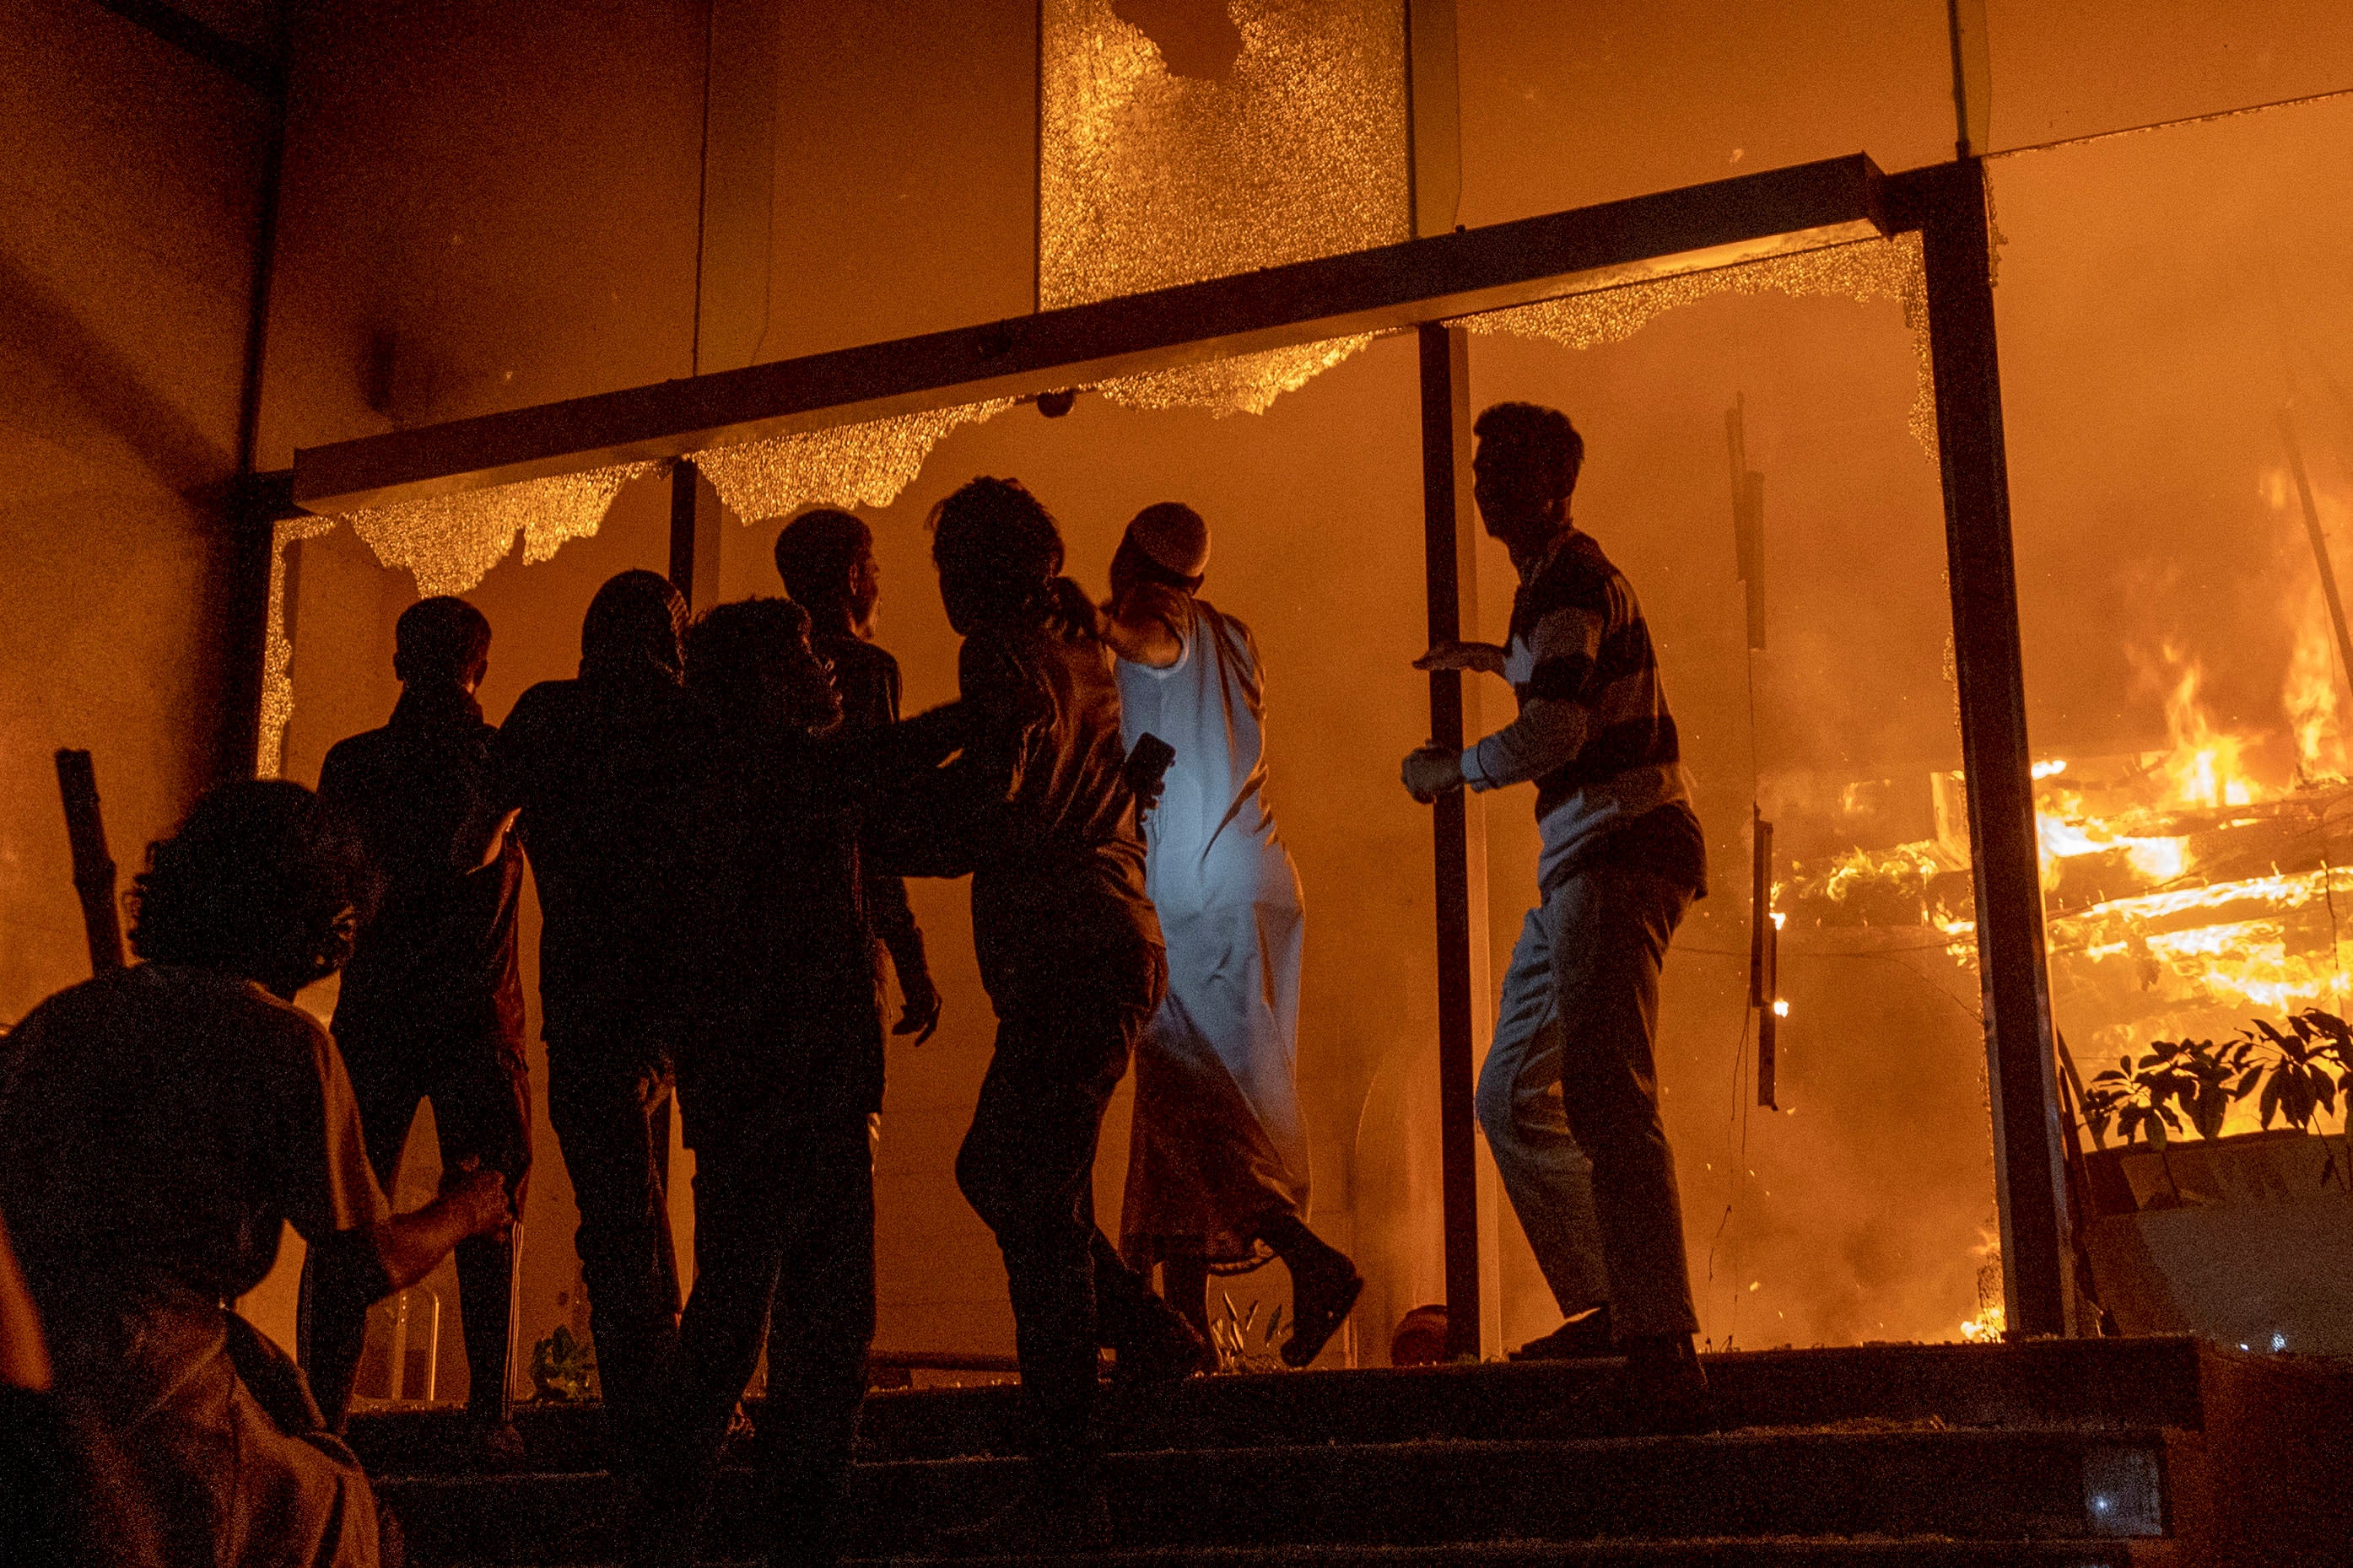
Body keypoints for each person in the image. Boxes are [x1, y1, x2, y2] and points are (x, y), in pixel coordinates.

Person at [0, 780, 514, 1567]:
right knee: (337, 1516)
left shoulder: (59, 1019)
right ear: (324, 928)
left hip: (27, 1368)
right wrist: (466, 1209)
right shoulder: (285, 1044)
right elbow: (365, 1261)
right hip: (152, 1390)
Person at [904, 477, 1209, 1550]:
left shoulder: (997, 651)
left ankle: (1068, 1485)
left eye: (946, 568)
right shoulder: (1073, 644)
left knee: (1024, 1194)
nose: (936, 588)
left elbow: (997, 795)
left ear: (976, 574)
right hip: (1106, 945)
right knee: (1011, 1174)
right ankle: (1145, 1334)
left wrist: (876, 834)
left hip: (1070, 950)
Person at [1402, 402, 1712, 1429]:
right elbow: (1562, 682)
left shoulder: (1569, 582)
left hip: (1614, 853)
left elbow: (1560, 724)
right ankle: (1617, 1303)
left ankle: (1657, 1338)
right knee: (1507, 1093)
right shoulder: (1553, 588)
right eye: (1481, 463)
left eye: (1502, 467)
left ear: (1553, 483)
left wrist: (1454, 770)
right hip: (1584, 861)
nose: (1484, 482)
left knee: (1607, 1094)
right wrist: (1493, 661)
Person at [1099, 502, 1360, 1363]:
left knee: (1201, 1108)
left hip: (1196, 900)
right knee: (1188, 1112)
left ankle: (1308, 1259)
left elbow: (1148, 642)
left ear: (1130, 564)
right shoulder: (1236, 635)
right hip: (1257, 886)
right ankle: (1184, 1331)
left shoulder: (1159, 625)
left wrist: (1084, 618)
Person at [655, 596, 887, 1566]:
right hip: (787, 1086)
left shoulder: (725, 776)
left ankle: (693, 1510)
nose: (826, 665)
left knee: (766, 1304)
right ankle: (721, 1514)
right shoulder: (766, 772)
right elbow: (890, 770)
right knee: (786, 1310)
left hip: (782, 1085)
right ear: (757, 679)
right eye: (801, 653)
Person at [494, 569, 710, 1507]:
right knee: (719, 1204)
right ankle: (691, 1403)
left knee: (616, 1212)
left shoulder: (544, 714)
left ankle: (640, 1415)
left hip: (581, 996)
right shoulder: (692, 719)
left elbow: (474, 837)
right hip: (687, 993)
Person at [304, 595, 531, 1463]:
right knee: (491, 1198)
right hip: (478, 1007)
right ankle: (488, 1411)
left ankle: (324, 1411)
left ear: (401, 662)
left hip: (378, 1004)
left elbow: (335, 878)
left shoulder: (354, 761)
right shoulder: (499, 755)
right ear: (480, 666)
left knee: (344, 1207)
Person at [772, 508, 942, 1045]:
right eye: (875, 569)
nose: (879, 587)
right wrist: (910, 958)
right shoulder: (869, 670)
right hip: (845, 938)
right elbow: (878, 819)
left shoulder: (761, 676)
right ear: (851, 577)